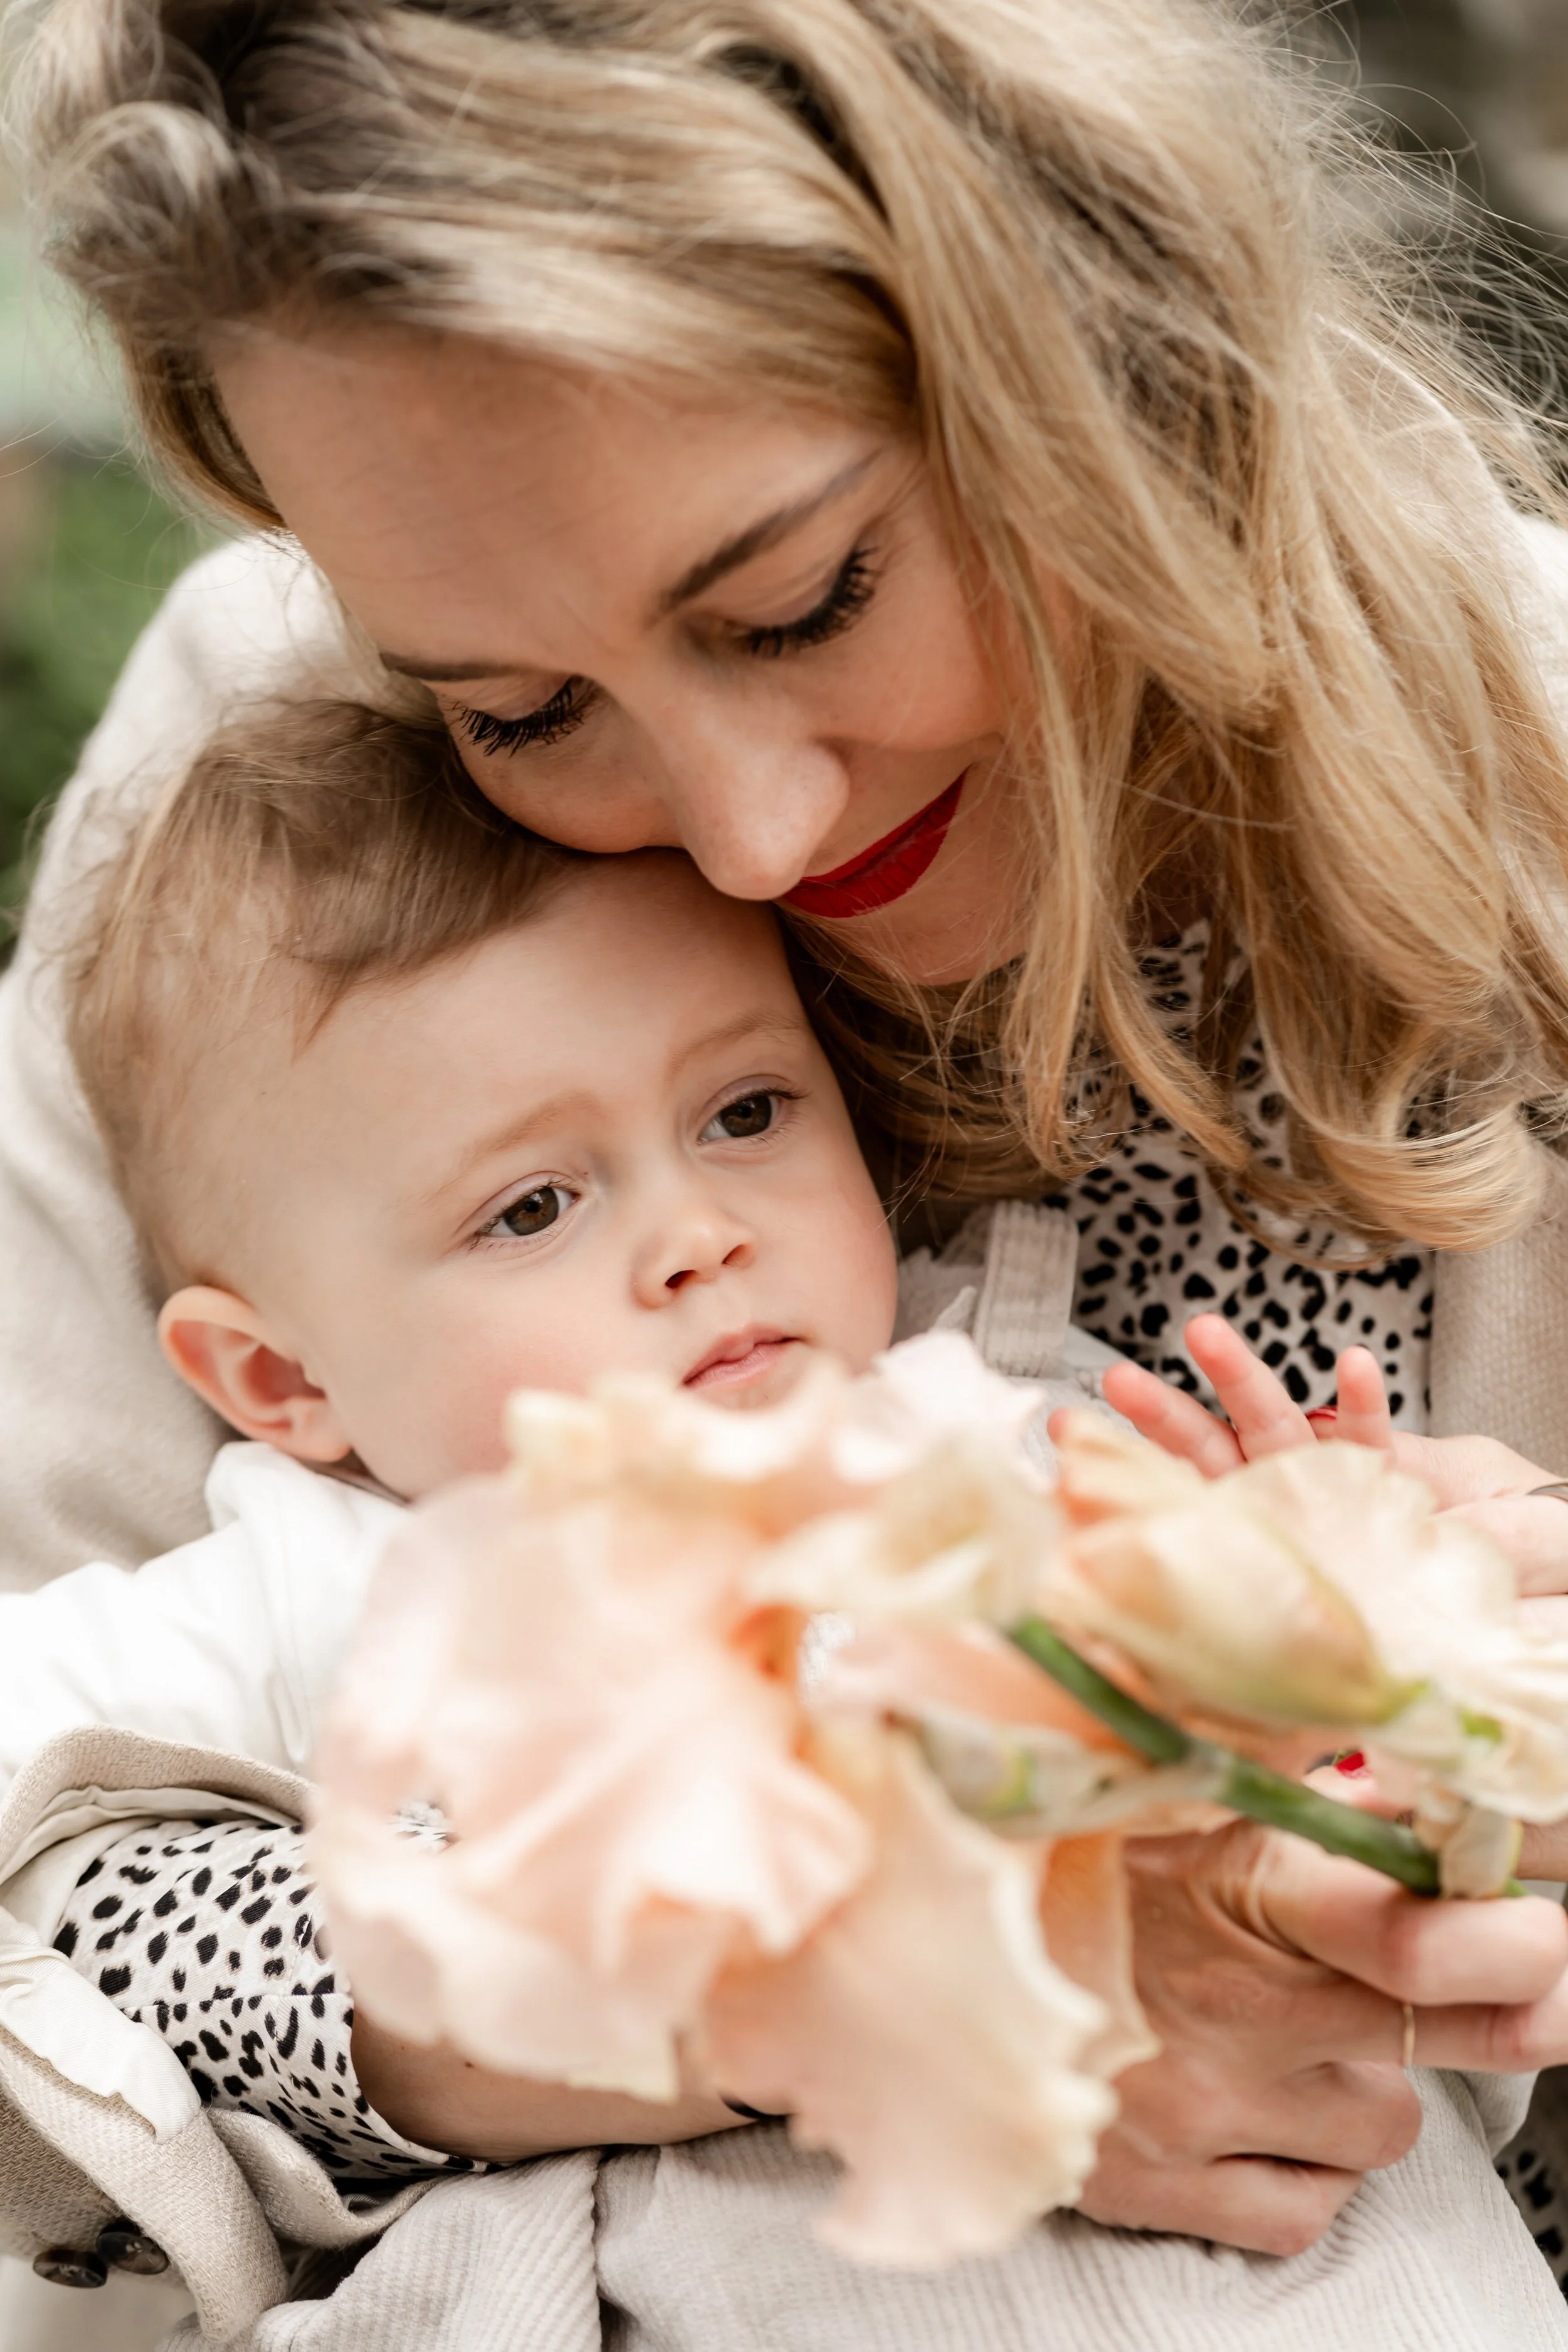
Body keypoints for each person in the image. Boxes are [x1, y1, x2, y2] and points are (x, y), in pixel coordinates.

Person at [11, 0, 1568, 2307]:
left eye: (803, 598)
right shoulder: (276, 763)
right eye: (517, 713)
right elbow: (59, 1861)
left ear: (1089, 312)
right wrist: (796, 1985)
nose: (751, 827)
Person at [1, 689, 1564, 2352]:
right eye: (533, 1204)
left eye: (744, 1113)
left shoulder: (1030, 1431)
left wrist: (1370, 1624)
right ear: (277, 1372)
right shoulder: (319, 1583)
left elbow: (1405, 1884)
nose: (697, 1235)